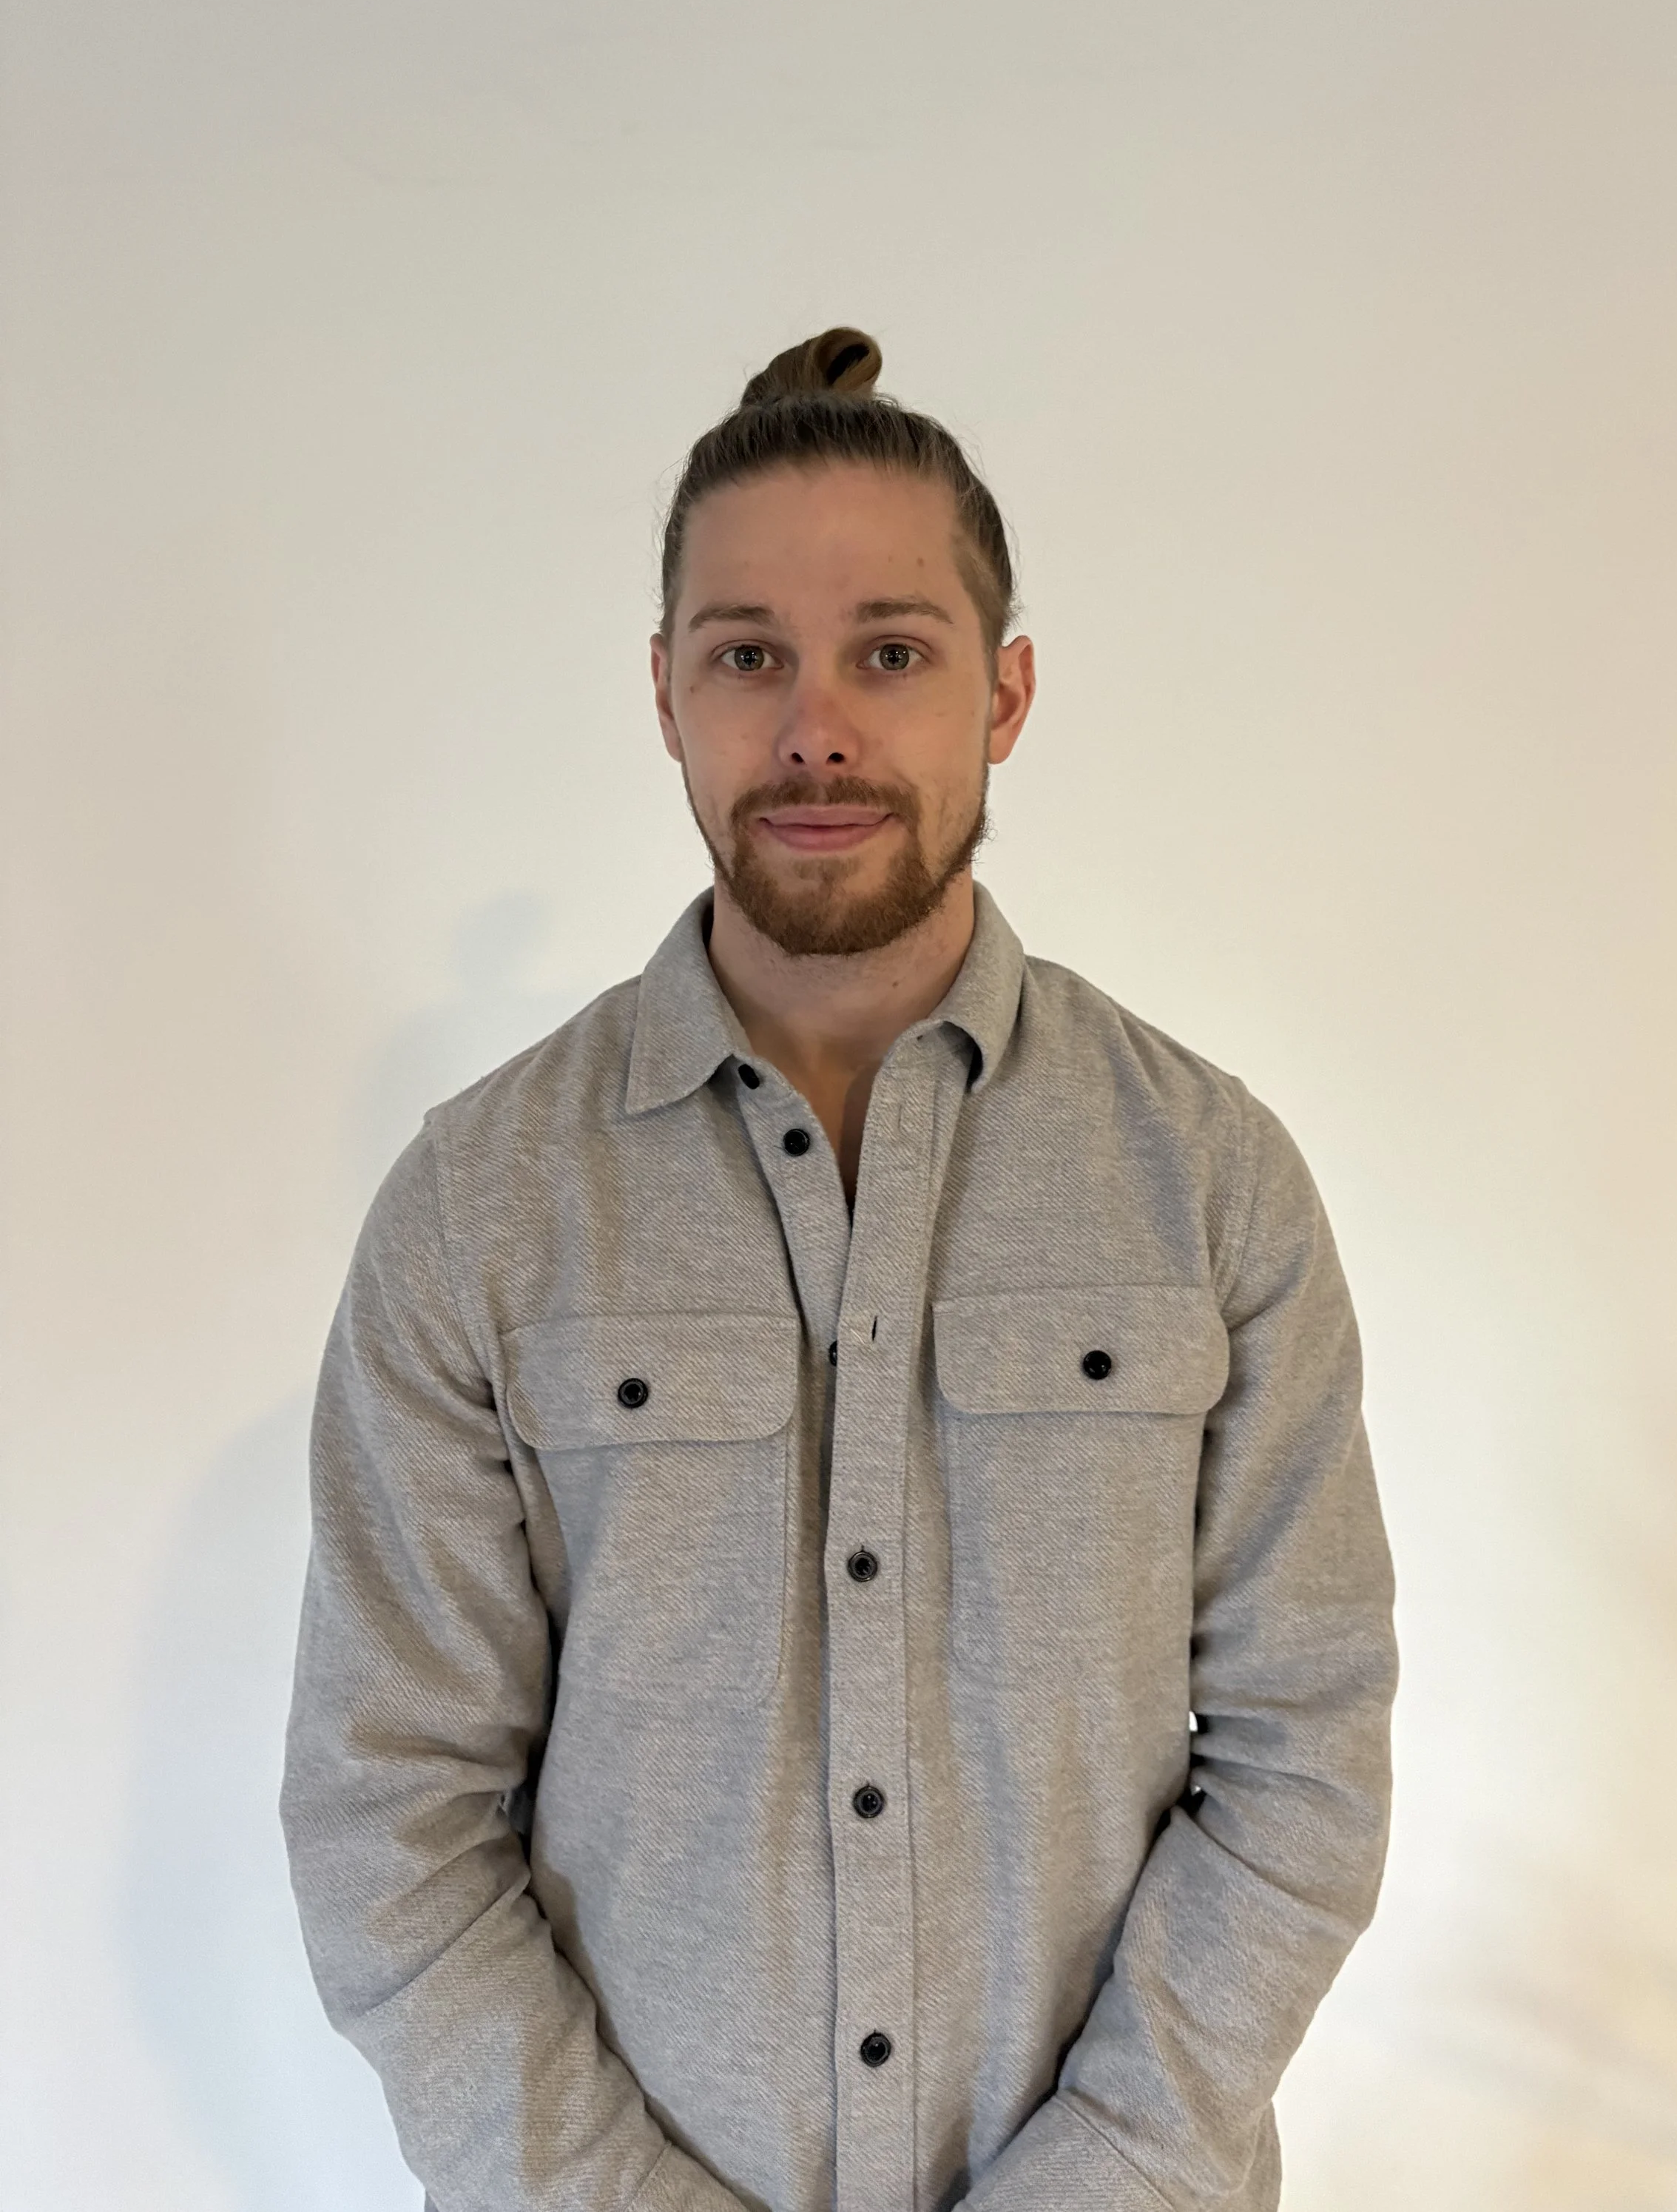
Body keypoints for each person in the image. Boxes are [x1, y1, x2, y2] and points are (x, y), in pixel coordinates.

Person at [279, 326, 1399, 2212]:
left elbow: (1305, 1755)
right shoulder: (480, 1203)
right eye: (747, 656)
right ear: (662, 692)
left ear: (1006, 692)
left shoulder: (1207, 1177)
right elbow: (386, 1816)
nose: (816, 728)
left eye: (890, 650)